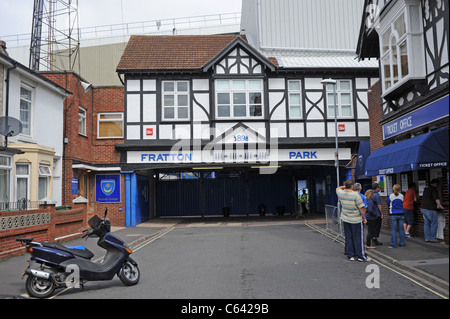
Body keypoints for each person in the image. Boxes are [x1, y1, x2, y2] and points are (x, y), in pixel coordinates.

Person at [336, 180, 368, 262]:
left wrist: (345, 187)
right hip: (356, 220)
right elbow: (362, 208)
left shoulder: (341, 193)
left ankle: (351, 255)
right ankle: (361, 256)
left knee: (348, 237)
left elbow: (338, 188)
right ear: (352, 187)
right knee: (358, 238)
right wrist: (364, 218)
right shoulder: (356, 195)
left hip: (345, 219)